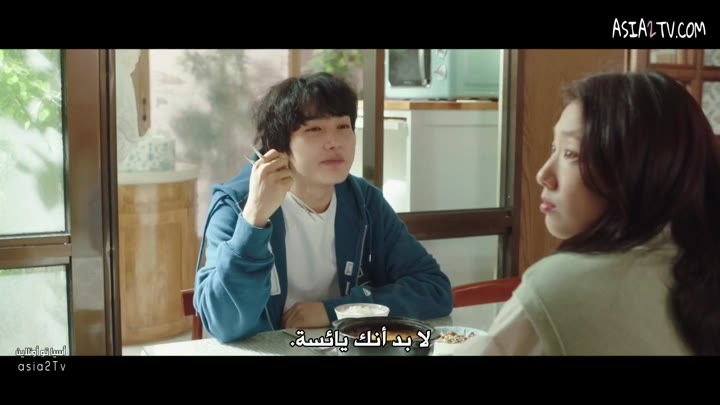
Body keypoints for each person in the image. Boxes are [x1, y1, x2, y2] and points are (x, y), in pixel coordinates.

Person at [193, 72, 453, 343]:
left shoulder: (364, 201)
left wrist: (336, 311)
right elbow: (224, 324)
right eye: (314, 129)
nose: (334, 142)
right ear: (279, 145)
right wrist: (253, 221)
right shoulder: (237, 205)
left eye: (343, 126)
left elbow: (434, 289)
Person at [474, 70, 720, 356]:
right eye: (554, 149)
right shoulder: (697, 266)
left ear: (638, 170)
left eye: (571, 154)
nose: (544, 175)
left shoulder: (558, 285)